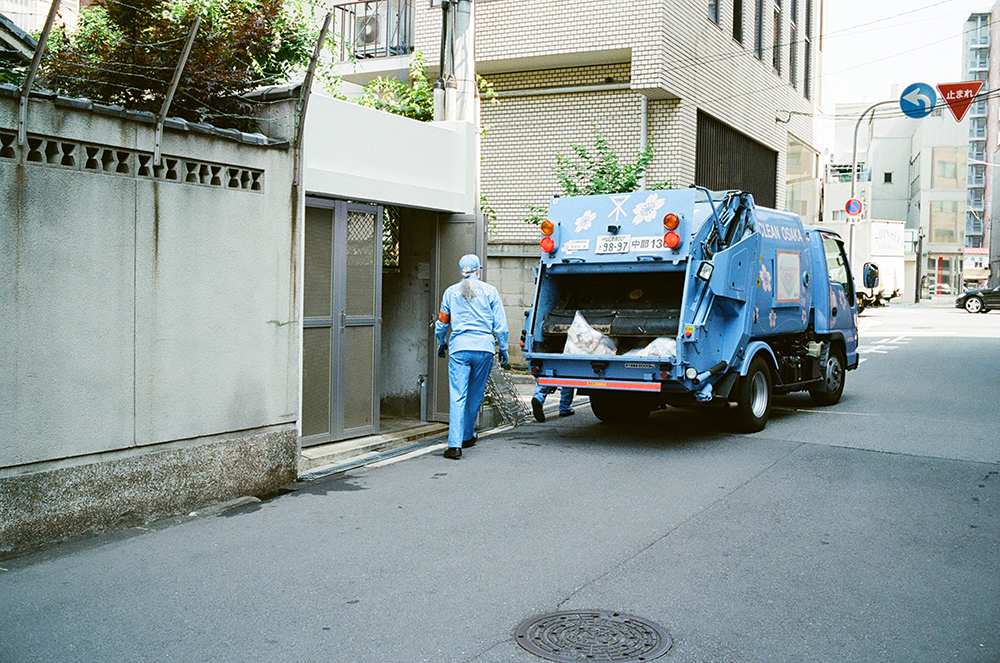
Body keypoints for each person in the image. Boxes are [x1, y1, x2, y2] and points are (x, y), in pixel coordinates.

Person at [435, 254, 508, 460]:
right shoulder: (490, 291)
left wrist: (442, 342)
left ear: (461, 271)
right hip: (484, 348)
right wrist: (503, 348)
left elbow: (442, 322)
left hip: (459, 349)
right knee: (475, 395)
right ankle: (467, 436)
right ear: (478, 270)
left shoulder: (450, 292)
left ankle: (454, 445)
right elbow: (500, 325)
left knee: (458, 395)